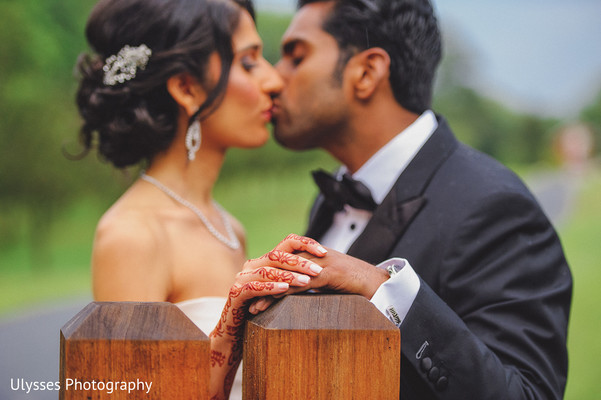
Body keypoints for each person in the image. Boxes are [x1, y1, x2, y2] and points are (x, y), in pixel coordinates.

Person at [269, 0, 573, 399]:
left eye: (296, 56)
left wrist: (386, 291)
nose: (273, 79)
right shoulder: (329, 200)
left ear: (367, 72)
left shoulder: (495, 206)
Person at [74, 0, 327, 398]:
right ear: (187, 89)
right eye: (248, 62)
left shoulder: (230, 229)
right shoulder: (131, 236)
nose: (274, 81)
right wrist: (227, 332)